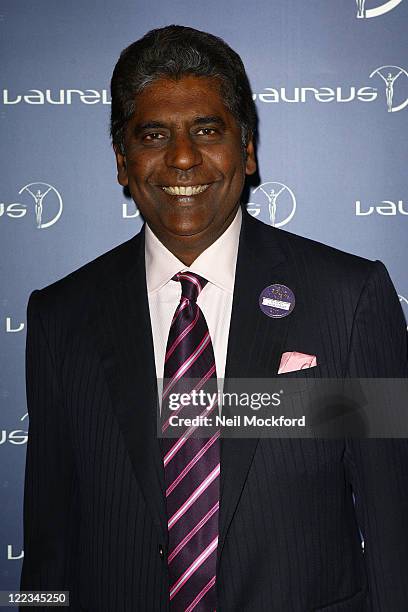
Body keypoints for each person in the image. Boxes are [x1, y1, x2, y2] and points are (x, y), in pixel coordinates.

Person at [20, 25, 408, 611]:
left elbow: (394, 532)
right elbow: (49, 543)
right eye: (153, 134)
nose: (181, 157)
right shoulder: (60, 317)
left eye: (207, 129)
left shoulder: (349, 300)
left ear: (247, 150)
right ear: (122, 163)